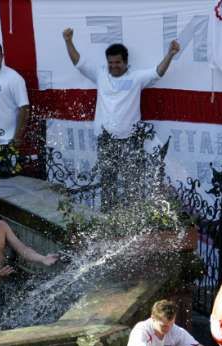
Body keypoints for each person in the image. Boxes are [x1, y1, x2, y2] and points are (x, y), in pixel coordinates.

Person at [62, 28, 180, 211]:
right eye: (110, 62)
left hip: (130, 141)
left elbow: (158, 72)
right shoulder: (100, 74)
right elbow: (79, 62)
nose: (114, 66)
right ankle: (108, 215)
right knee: (107, 181)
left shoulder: (136, 77)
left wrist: (170, 54)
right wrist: (68, 40)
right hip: (106, 140)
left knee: (132, 183)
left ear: (125, 62)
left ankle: (130, 217)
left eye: (117, 62)